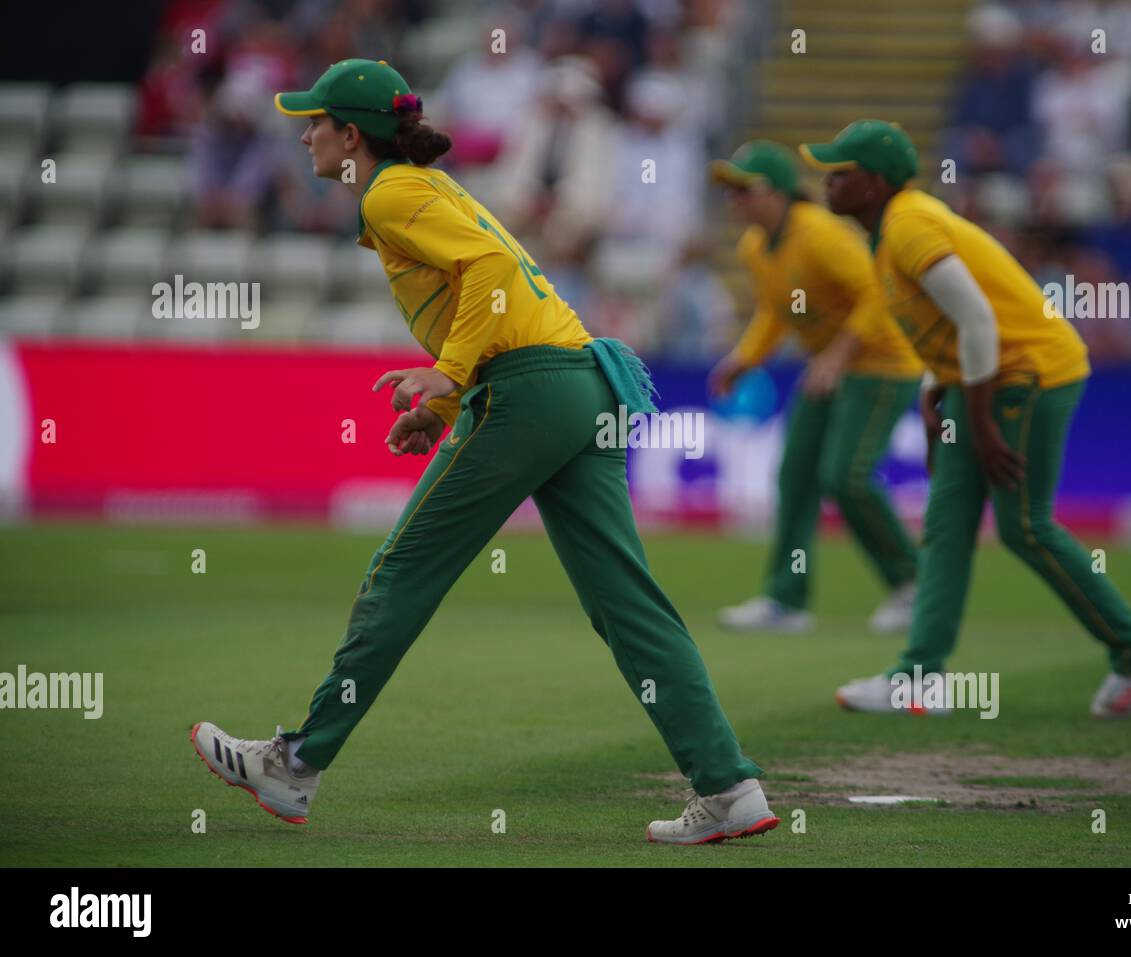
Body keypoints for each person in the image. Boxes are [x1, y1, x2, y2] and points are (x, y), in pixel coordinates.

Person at [190, 59, 778, 845]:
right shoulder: (428, 184)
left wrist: (447, 375)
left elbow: (493, 270)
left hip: (526, 389)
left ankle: (295, 765)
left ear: (351, 135)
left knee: (402, 572)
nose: (305, 135)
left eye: (316, 122)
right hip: (579, 384)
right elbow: (490, 282)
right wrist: (447, 396)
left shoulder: (390, 190)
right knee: (627, 603)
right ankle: (729, 786)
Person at [799, 120, 1131, 717]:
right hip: (983, 381)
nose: (827, 183)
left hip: (1031, 375)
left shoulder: (908, 225)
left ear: (874, 183)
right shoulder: (888, 231)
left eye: (841, 173)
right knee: (948, 523)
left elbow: (978, 318)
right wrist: (936, 391)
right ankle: (919, 675)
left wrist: (975, 419)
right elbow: (950, 323)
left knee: (1023, 527)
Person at [707, 141, 925, 634]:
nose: (735, 200)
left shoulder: (821, 235)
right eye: (729, 191)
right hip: (830, 367)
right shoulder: (756, 247)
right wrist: (744, 358)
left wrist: (838, 355)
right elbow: (773, 310)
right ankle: (786, 600)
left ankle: (915, 586)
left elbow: (878, 292)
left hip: (884, 364)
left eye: (744, 189)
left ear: (778, 192)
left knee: (846, 476)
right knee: (796, 475)